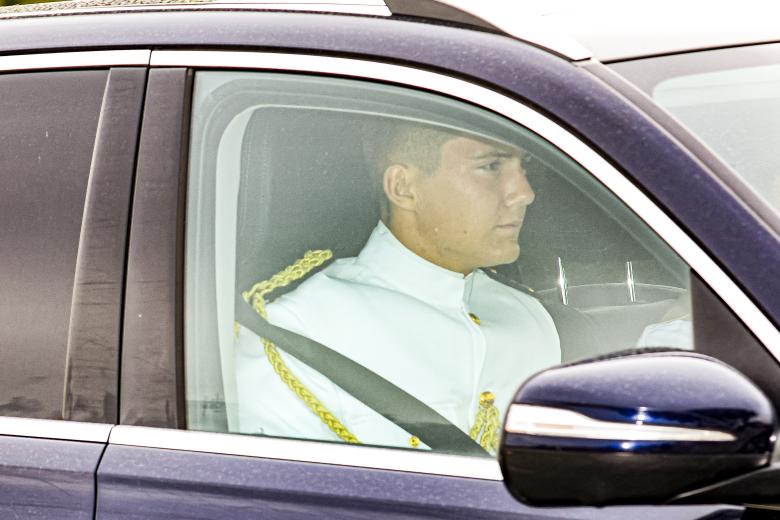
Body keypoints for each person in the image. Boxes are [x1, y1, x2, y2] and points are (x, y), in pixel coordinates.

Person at [234, 124, 561, 453]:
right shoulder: (297, 330)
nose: (524, 192)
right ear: (403, 188)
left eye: (523, 167)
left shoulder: (529, 318)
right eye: (490, 166)